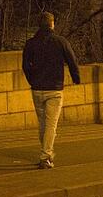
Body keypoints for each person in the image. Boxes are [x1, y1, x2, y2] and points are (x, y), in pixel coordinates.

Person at [22, 11, 81, 169]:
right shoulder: (60, 42)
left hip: (37, 88)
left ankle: (45, 152)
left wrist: (32, 80)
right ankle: (46, 155)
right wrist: (76, 78)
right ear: (52, 24)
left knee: (43, 123)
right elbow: (72, 60)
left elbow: (25, 66)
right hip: (54, 89)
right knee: (51, 124)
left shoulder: (31, 43)